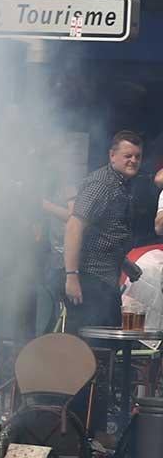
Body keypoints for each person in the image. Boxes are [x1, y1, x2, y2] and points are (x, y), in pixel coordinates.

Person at [64, 131, 142, 334]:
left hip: (106, 280)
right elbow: (74, 226)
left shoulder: (123, 185)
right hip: (89, 278)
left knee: (108, 342)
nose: (133, 160)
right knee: (87, 346)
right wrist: (72, 276)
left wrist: (125, 264)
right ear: (112, 155)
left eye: (137, 156)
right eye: (128, 156)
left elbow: (102, 234)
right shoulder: (101, 184)